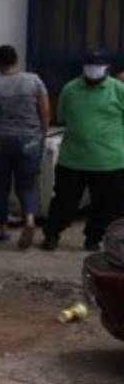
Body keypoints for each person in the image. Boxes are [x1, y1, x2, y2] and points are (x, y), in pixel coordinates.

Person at [41, 49, 124, 252]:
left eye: (98, 65)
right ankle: (52, 234)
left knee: (104, 205)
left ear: (107, 68)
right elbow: (62, 116)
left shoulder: (118, 90)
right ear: (83, 67)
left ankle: (93, 238)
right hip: (73, 159)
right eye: (90, 65)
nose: (93, 69)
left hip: (109, 160)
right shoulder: (70, 89)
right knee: (64, 202)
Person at [0, 45, 49, 248]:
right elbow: (45, 111)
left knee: (1, 186)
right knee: (26, 185)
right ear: (16, 60)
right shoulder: (34, 81)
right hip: (30, 139)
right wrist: (42, 135)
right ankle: (30, 220)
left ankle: (3, 231)